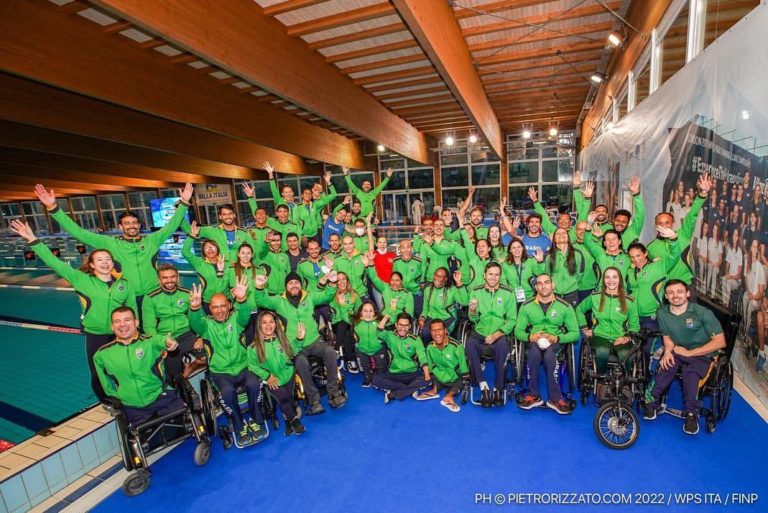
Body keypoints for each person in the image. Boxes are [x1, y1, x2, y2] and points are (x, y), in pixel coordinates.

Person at [11, 219, 137, 400]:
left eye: (108, 259)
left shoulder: (124, 285)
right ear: (92, 265)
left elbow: (132, 310)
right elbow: (55, 262)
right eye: (100, 259)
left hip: (121, 333)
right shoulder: (81, 279)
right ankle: (107, 400)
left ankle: (127, 395)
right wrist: (32, 239)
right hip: (96, 334)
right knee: (98, 372)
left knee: (125, 367)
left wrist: (136, 331)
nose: (105, 262)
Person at [35, 183, 192, 308]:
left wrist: (184, 202)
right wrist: (54, 209)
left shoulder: (152, 240)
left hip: (154, 294)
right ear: (120, 226)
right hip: (127, 296)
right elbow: (78, 232)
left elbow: (172, 225)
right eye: (127, 223)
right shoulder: (110, 243)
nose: (131, 226)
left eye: (134, 223)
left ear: (139, 224)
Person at [252, 272, 347, 412]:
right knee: (301, 362)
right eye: (290, 283)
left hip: (314, 341)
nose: (294, 285)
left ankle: (334, 392)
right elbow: (262, 301)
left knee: (331, 352)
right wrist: (259, 287)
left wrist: (332, 283)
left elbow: (326, 295)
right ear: (286, 287)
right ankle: (314, 400)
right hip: (294, 346)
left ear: (301, 285)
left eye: (297, 282)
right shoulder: (279, 301)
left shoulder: (309, 297)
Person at [188, 279, 267, 445]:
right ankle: (239, 426)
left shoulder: (236, 320)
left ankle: (255, 419)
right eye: (215, 307)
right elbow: (195, 323)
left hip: (244, 366)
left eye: (223, 306)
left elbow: (245, 315)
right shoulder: (206, 326)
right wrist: (195, 308)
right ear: (210, 309)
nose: (219, 310)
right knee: (227, 393)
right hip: (220, 372)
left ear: (229, 306)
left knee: (254, 384)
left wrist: (242, 299)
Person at [644, 280, 727, 435]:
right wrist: (668, 350)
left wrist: (690, 353)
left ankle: (691, 415)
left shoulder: (702, 313)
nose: (675, 296)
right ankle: (651, 403)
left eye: (679, 291)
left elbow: (720, 342)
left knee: (690, 375)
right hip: (678, 350)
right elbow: (666, 335)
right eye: (671, 292)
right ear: (666, 296)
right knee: (665, 367)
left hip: (702, 354)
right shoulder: (662, 313)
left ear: (687, 293)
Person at [94, 307, 184, 426]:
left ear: (136, 322)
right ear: (112, 326)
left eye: (127, 320)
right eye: (117, 321)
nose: (122, 325)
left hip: (160, 397)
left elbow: (161, 340)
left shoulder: (149, 342)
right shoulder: (102, 355)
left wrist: (169, 341)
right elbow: (106, 384)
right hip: (132, 407)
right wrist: (119, 397)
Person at [514, 273, 579, 414]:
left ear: (552, 285)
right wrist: (530, 337)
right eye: (540, 283)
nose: (543, 286)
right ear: (536, 287)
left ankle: (555, 399)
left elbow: (575, 333)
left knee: (550, 356)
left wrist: (557, 338)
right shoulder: (526, 306)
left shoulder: (565, 307)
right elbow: (518, 331)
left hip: (555, 341)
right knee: (533, 354)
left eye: (547, 282)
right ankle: (534, 395)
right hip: (535, 341)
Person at [463, 262, 517, 407]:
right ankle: (483, 386)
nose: (493, 277)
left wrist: (496, 334)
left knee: (502, 347)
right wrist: (473, 311)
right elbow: (472, 319)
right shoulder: (475, 291)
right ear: (484, 275)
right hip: (480, 332)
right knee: (469, 344)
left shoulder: (508, 292)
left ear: (500, 276)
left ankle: (498, 388)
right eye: (490, 274)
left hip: (498, 333)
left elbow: (512, 320)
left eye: (496, 274)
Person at [246, 311, 305, 436]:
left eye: (271, 322)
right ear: (259, 326)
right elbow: (252, 366)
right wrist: (267, 376)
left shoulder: (283, 339)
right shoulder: (253, 347)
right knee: (283, 399)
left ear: (276, 324)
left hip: (288, 374)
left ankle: (288, 421)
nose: (268, 325)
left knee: (290, 399)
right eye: (264, 322)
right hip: (272, 380)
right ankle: (295, 422)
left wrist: (299, 339)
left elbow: (293, 352)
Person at [142, 264, 203, 380]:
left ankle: (187, 370)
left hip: (187, 334)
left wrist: (200, 336)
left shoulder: (187, 293)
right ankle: (180, 382)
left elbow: (199, 318)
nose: (169, 281)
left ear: (178, 277)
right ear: (159, 280)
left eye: (172, 277)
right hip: (166, 338)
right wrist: (160, 343)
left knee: (207, 356)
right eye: (165, 278)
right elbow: (148, 327)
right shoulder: (150, 298)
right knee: (173, 376)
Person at [576, 267, 640, 375]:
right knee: (601, 350)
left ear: (619, 279)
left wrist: (627, 337)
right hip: (600, 335)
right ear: (603, 280)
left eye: (614, 277)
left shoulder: (630, 301)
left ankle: (625, 382)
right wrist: (585, 328)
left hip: (621, 336)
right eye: (607, 277)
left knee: (626, 353)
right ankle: (601, 380)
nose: (611, 281)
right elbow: (579, 310)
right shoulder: (595, 297)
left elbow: (634, 324)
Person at [373, 313, 431, 403]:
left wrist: (427, 375)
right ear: (396, 324)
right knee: (375, 379)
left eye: (406, 325)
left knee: (430, 378)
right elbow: (378, 331)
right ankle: (409, 389)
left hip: (412, 373)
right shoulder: (390, 336)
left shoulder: (416, 339)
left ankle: (394, 393)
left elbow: (422, 357)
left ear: (410, 326)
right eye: (400, 325)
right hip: (394, 373)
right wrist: (386, 317)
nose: (403, 328)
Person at [417, 319, 468, 413]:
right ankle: (434, 390)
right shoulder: (429, 347)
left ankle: (449, 396)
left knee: (461, 381)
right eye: (433, 330)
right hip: (439, 377)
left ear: (445, 330)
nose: (437, 333)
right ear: (430, 332)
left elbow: (464, 368)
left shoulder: (457, 346)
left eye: (439, 330)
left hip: (454, 378)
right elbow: (431, 368)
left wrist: (465, 381)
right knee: (424, 377)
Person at [182, 202, 251, 263]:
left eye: (230, 214)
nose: (228, 216)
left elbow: (253, 253)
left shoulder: (244, 233)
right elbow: (188, 230)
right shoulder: (212, 231)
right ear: (220, 217)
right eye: (224, 214)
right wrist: (180, 211)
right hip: (221, 270)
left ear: (234, 215)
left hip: (239, 270)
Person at [182, 223, 229, 311]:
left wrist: (221, 271)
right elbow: (185, 252)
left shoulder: (225, 263)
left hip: (225, 300)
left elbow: (223, 286)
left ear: (217, 249)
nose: (210, 249)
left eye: (212, 247)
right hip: (208, 301)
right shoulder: (199, 263)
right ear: (203, 251)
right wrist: (192, 236)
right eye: (207, 247)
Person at [533, 227, 584, 307]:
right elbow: (545, 275)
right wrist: (540, 262)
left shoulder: (577, 254)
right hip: (554, 293)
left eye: (564, 233)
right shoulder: (548, 255)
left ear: (568, 237)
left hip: (572, 293)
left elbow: (579, 274)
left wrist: (572, 284)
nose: (561, 235)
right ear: (554, 239)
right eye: (558, 234)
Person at [419, 268, 467, 343]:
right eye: (436, 275)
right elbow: (425, 308)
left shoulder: (451, 290)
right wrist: (422, 318)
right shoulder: (428, 289)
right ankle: (428, 352)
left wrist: (459, 283)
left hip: (447, 318)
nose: (437, 278)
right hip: (432, 318)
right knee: (425, 333)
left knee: (441, 335)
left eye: (440, 276)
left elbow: (465, 302)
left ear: (445, 279)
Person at [329, 272, 362, 374]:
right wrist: (343, 307)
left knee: (347, 331)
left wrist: (343, 307)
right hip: (337, 324)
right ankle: (351, 360)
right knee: (343, 325)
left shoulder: (354, 294)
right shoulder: (332, 295)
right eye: (338, 279)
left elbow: (359, 312)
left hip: (350, 323)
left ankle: (337, 348)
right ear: (335, 282)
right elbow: (337, 316)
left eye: (344, 279)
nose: (341, 281)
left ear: (347, 281)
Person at [354, 301, 389, 387]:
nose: (368, 314)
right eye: (365, 311)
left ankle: (380, 378)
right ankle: (368, 378)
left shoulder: (380, 322)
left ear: (375, 312)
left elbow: (390, 313)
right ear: (360, 312)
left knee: (381, 367)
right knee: (365, 367)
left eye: (371, 311)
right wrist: (343, 304)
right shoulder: (355, 322)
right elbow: (344, 314)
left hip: (378, 348)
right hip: (362, 349)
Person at [743, 240, 766, 354]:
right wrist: (748, 293)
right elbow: (746, 282)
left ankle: (747, 339)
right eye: (753, 246)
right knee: (744, 298)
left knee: (750, 305)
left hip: (756, 299)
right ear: (750, 247)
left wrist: (753, 296)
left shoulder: (760, 268)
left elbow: (761, 293)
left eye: (756, 247)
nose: (754, 249)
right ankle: (744, 328)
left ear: (757, 250)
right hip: (750, 294)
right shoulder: (747, 262)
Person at [392, 239, 425, 318]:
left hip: (415, 292)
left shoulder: (418, 261)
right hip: (401, 293)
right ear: (399, 249)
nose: (406, 250)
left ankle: (418, 329)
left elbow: (422, 277)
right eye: (403, 248)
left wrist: (419, 287)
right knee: (402, 315)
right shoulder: (396, 261)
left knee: (418, 314)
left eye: (408, 247)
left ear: (411, 248)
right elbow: (395, 277)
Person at [501, 238, 537, 303]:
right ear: (510, 250)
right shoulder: (505, 264)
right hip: (512, 298)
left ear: (523, 248)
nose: (516, 250)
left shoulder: (531, 261)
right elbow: (503, 282)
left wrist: (540, 262)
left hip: (530, 298)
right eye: (513, 248)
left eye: (519, 247)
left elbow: (541, 274)